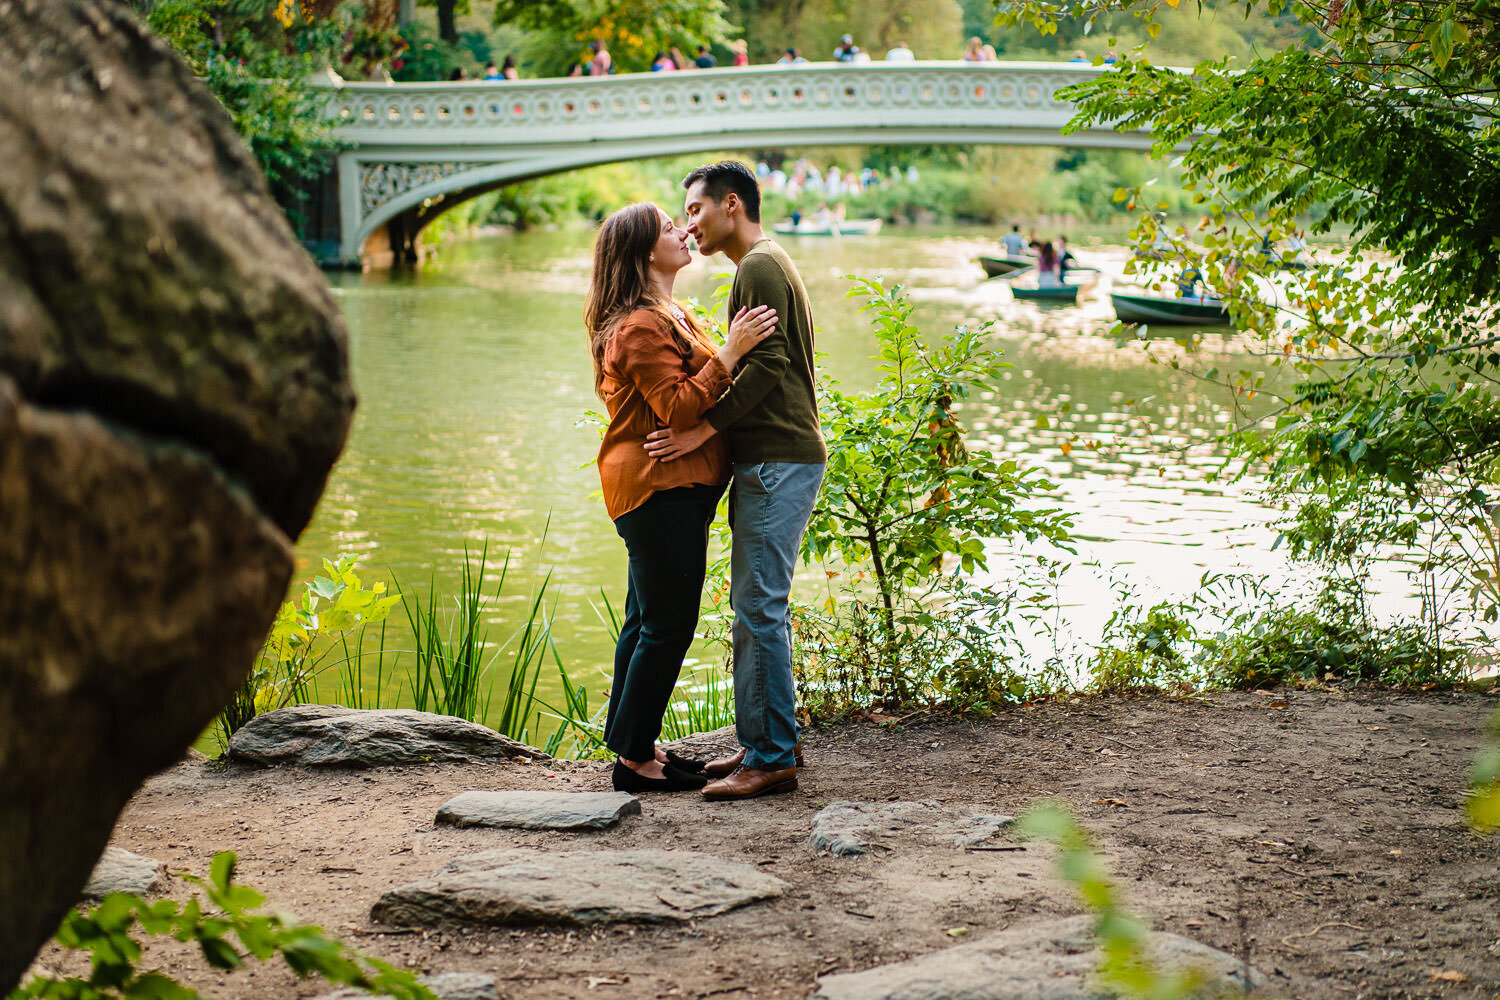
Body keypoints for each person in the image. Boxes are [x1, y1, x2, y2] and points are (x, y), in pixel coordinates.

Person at [646, 161, 827, 801]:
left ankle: (771, 757)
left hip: (780, 457)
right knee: (754, 604)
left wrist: (701, 429)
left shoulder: (759, 265)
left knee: (758, 606)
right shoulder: (763, 263)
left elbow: (772, 364)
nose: (688, 224)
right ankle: (766, 742)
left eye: (694, 210)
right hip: (775, 457)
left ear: (730, 205)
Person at [585, 202, 779, 793]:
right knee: (668, 625)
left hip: (671, 486)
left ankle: (632, 746)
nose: (685, 230)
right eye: (671, 228)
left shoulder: (667, 313)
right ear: (645, 252)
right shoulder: (640, 326)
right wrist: (730, 352)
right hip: (657, 486)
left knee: (645, 620)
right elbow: (678, 406)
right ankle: (636, 762)